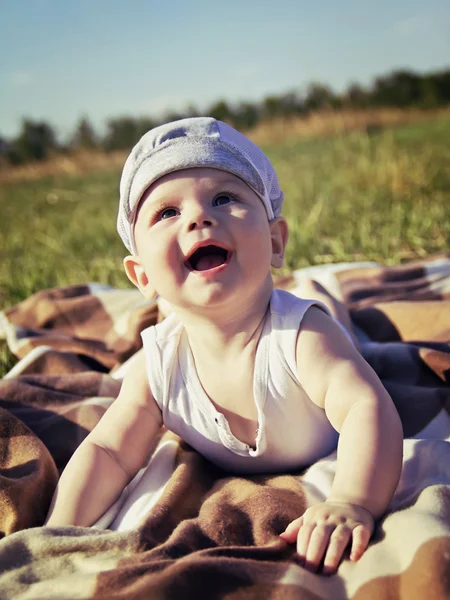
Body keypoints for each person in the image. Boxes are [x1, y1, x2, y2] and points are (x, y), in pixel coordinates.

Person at [46, 117, 403, 575]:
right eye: (167, 213)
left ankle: (345, 313)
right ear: (143, 277)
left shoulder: (302, 338)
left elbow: (366, 409)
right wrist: (60, 529)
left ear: (275, 241)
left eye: (224, 198)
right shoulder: (158, 364)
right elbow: (109, 453)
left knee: (349, 338)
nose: (198, 216)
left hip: (325, 362)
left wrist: (353, 501)